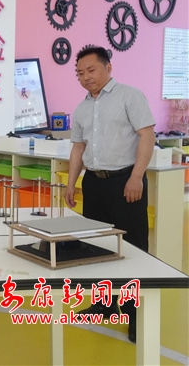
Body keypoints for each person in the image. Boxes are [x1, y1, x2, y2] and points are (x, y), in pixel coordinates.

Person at [64, 46, 155, 344]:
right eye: (80, 73)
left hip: (125, 182)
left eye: (91, 70)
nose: (86, 77)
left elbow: (147, 136)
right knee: (97, 246)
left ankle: (132, 313)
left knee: (131, 247)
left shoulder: (130, 96)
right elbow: (78, 148)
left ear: (108, 68)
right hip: (95, 183)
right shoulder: (81, 108)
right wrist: (71, 183)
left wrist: (136, 177)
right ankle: (103, 305)